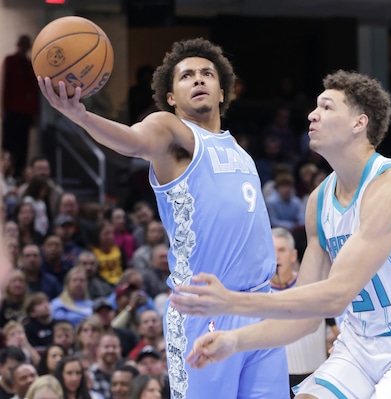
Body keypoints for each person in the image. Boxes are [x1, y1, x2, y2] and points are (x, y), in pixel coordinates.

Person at [170, 69, 391, 398]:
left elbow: (336, 295)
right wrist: (235, 340)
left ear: (359, 123)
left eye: (327, 107)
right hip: (358, 346)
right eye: (315, 107)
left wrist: (231, 302)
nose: (312, 114)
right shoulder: (319, 201)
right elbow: (305, 319)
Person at [38, 37, 289, 399]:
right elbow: (132, 141)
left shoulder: (239, 150)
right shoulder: (172, 134)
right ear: (171, 98)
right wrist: (81, 116)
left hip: (262, 305)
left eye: (207, 74)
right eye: (187, 76)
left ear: (223, 92)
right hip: (206, 311)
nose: (199, 79)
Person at [270, 227, 328, 398]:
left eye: (281, 250)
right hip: (278, 380)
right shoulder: (258, 295)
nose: (276, 256)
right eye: (272, 250)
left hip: (316, 374)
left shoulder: (314, 287)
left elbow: (335, 326)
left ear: (294, 255)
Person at [1, 35, 39, 176]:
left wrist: (35, 113)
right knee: (9, 144)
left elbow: (35, 92)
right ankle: (6, 172)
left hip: (26, 111)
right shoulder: (10, 61)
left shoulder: (30, 65)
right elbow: (4, 85)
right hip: (11, 109)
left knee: (23, 145)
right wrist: (3, 108)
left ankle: (19, 173)